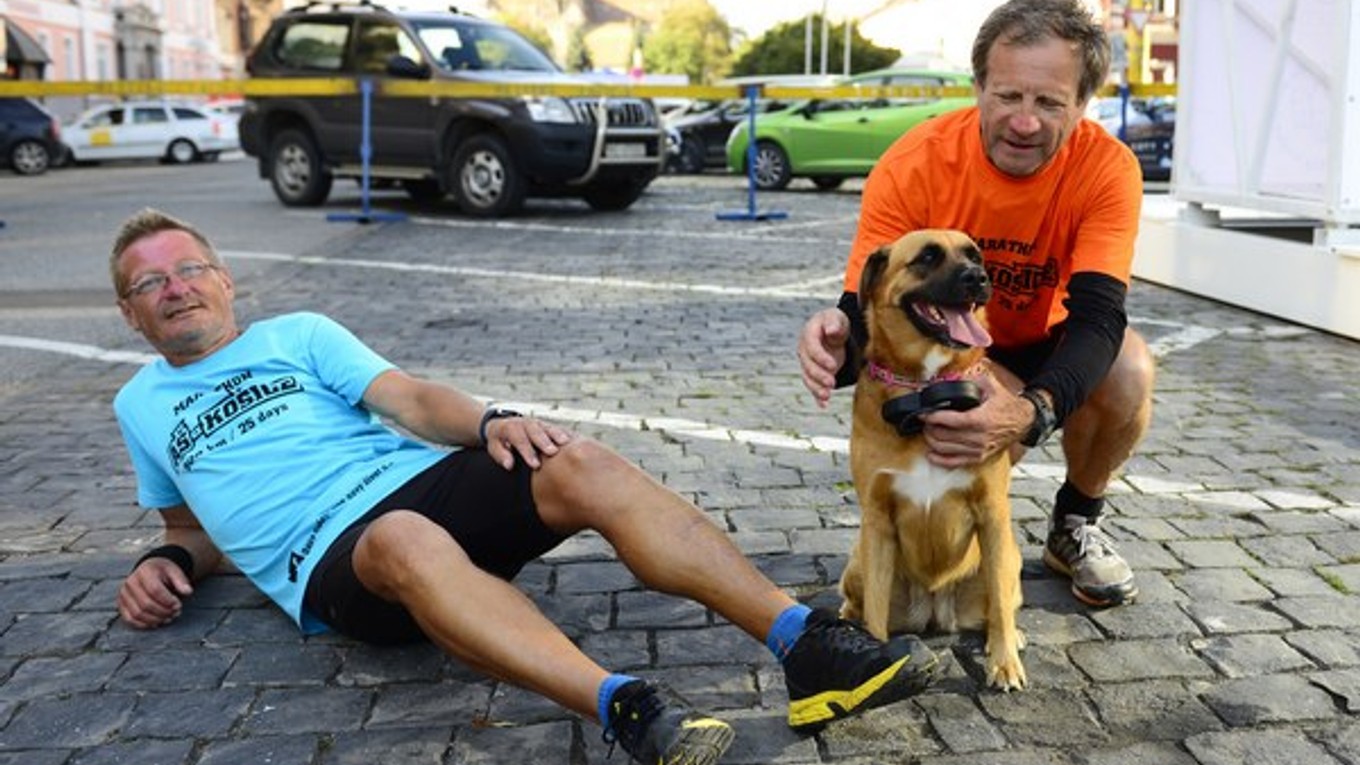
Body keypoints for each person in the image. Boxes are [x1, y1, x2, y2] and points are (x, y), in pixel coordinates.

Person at [110, 208, 942, 765]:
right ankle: (623, 706)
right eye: (152, 283)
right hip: (336, 558)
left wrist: (489, 422)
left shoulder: (298, 335)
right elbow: (194, 526)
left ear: (225, 280)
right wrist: (165, 559)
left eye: (189, 269)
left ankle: (804, 642)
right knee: (403, 539)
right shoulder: (140, 405)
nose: (176, 288)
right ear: (129, 313)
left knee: (570, 457)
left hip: (417, 483)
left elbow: (409, 399)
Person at [798, 0, 1155, 608]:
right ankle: (926, 554)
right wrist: (837, 342)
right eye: (1008, 96)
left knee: (1129, 369)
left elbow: (1099, 317)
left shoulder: (1107, 168)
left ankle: (1075, 523)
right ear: (977, 87)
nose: (1024, 122)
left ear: (1083, 104)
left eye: (1049, 103)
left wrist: (1031, 412)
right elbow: (867, 308)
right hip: (959, 347)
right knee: (960, 430)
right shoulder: (915, 163)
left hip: (1055, 338)